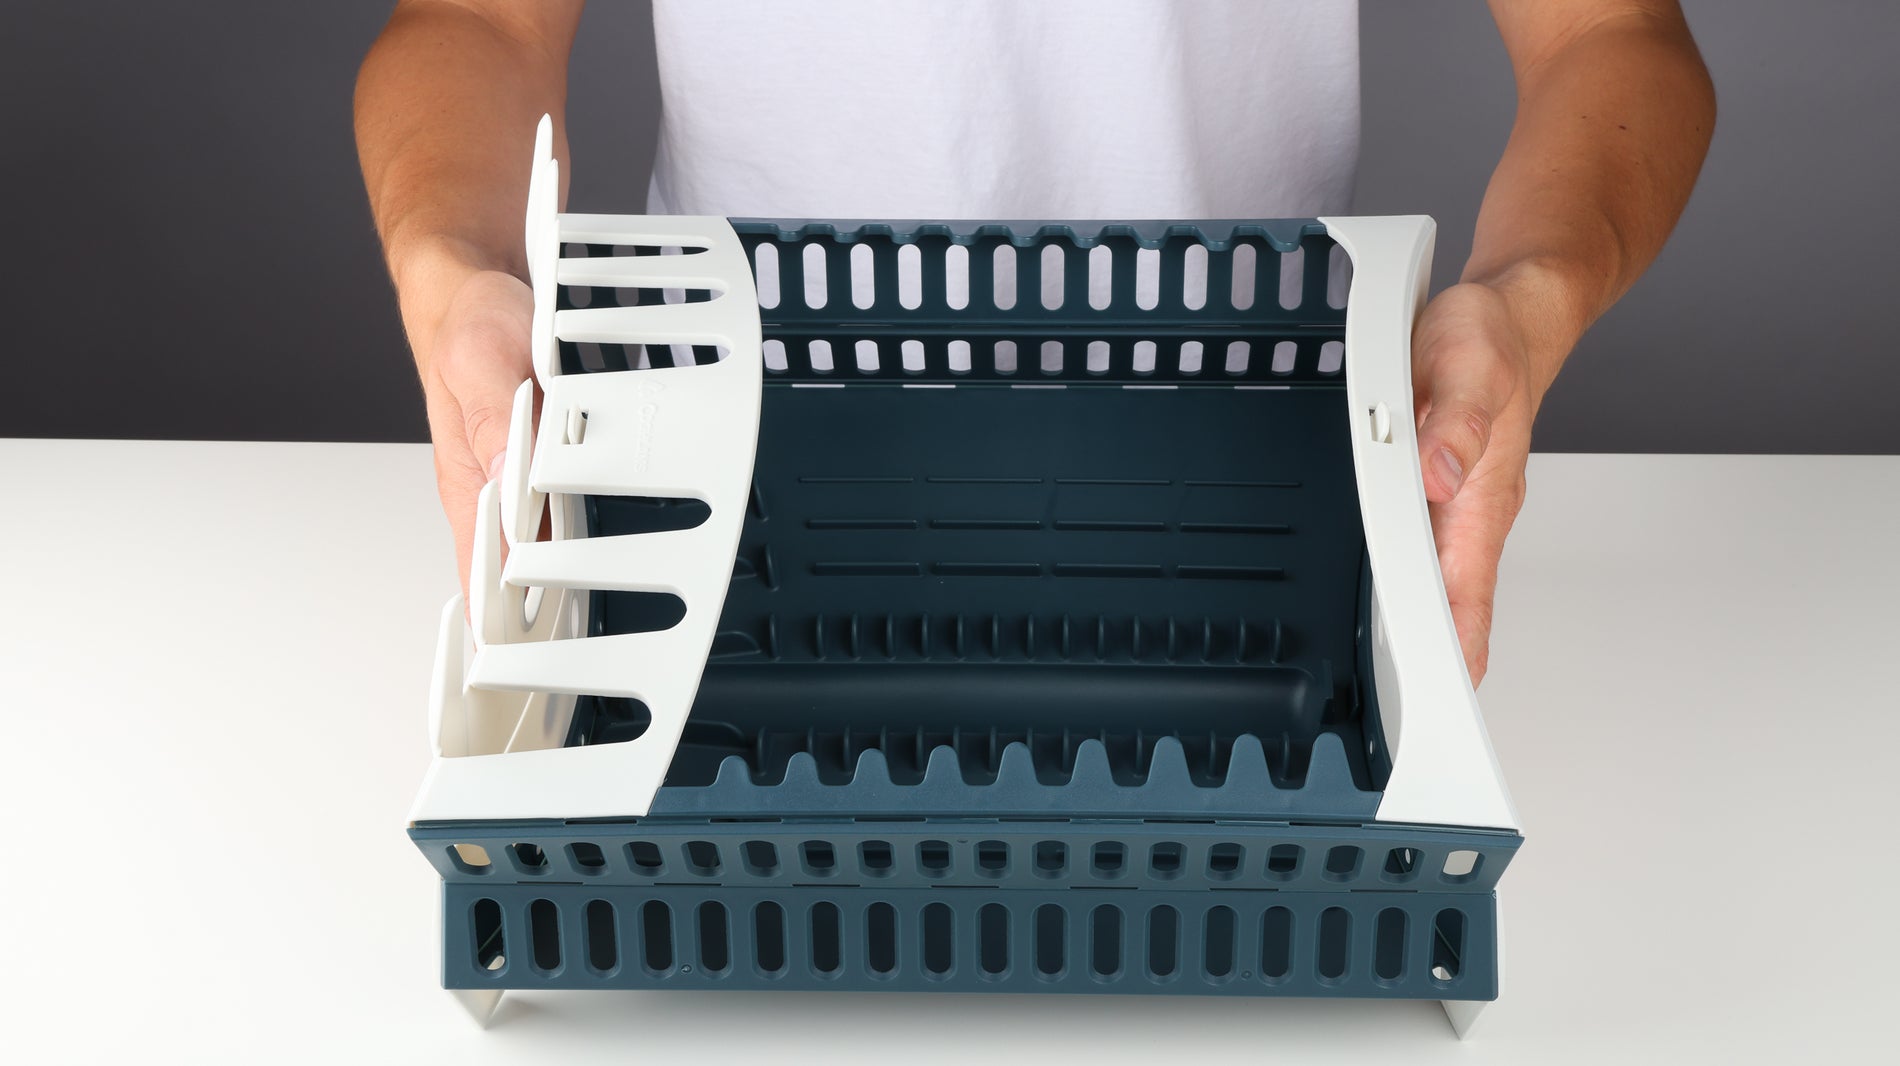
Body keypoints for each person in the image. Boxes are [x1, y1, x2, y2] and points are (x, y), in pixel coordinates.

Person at [355, 0, 1714, 685]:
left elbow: (1613, 37)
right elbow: (475, 23)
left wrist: (1524, 298)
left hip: (1245, 525)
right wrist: (450, 268)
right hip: (726, 513)